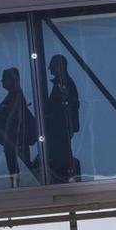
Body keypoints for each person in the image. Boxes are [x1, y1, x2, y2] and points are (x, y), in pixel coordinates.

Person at [0, 67, 38, 188]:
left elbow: (5, 114)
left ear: (12, 80)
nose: (1, 81)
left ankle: (17, 188)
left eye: (4, 78)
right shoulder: (14, 96)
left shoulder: (15, 96)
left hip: (15, 138)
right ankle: (16, 186)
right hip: (16, 138)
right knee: (16, 164)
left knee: (16, 165)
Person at [44, 54, 81, 183]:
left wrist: (50, 116)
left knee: (61, 154)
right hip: (61, 128)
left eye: (52, 65)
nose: (48, 68)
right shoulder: (63, 83)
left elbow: (67, 106)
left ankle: (63, 177)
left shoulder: (63, 83)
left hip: (60, 128)